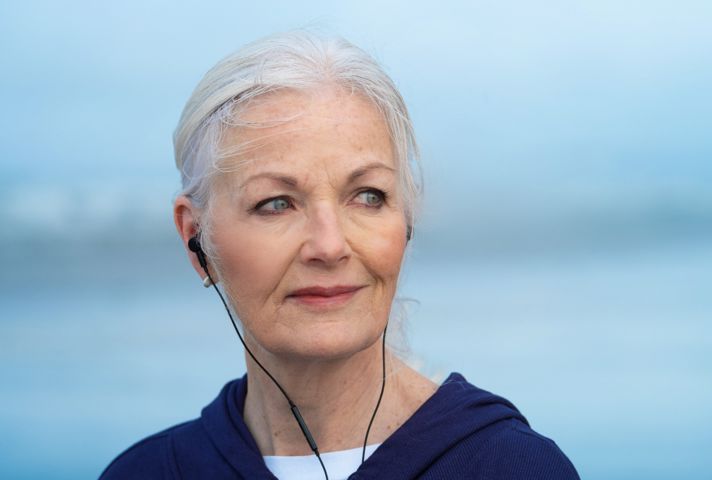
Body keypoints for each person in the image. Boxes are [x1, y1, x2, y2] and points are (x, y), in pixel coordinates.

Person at [100, 31, 580, 480]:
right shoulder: (148, 472)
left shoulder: (508, 466)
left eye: (368, 196)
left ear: (406, 222)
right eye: (276, 203)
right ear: (196, 240)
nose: (329, 246)